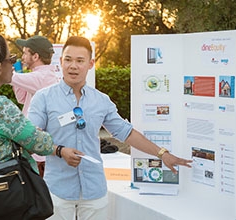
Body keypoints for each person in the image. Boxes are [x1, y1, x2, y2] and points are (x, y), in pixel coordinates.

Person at [28, 36, 193, 220]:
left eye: (80, 61)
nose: (73, 66)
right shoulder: (43, 98)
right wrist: (59, 151)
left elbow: (126, 132)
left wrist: (162, 154)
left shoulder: (101, 100)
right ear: (61, 62)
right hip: (57, 191)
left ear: (90, 64)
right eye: (68, 59)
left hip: (94, 191)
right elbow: (31, 137)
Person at [0, 33, 78, 194]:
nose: (14, 63)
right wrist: (36, 135)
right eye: (10, 59)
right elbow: (40, 143)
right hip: (8, 191)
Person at [10, 35, 59, 177]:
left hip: (39, 155)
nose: (22, 56)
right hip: (36, 149)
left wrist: (11, 70)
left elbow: (8, 77)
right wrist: (19, 72)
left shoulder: (42, 77)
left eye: (25, 52)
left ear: (36, 56)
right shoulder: (39, 76)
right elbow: (21, 98)